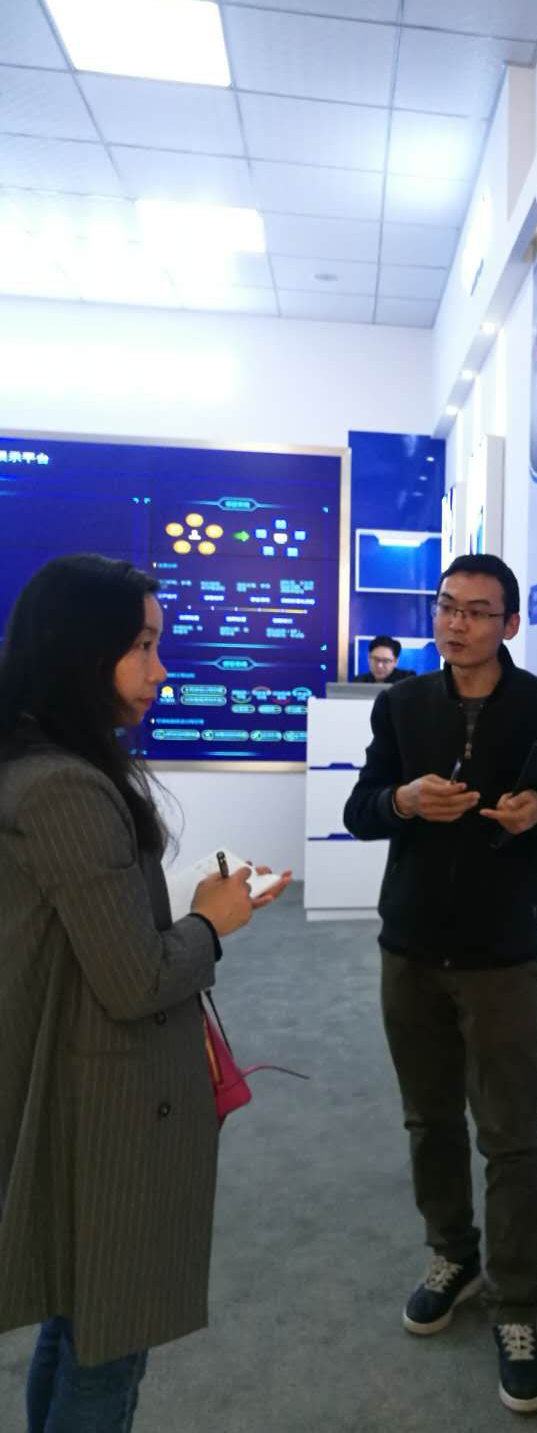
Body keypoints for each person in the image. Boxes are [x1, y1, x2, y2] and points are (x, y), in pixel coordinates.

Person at [0, 554, 291, 1433]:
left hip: (76, 1078)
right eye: (142, 646)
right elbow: (135, 980)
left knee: (79, 1319)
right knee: (108, 1346)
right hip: (108, 1098)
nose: (160, 670)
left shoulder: (39, 763)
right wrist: (213, 921)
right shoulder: (66, 785)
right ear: (81, 651)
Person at [343, 552, 537, 1416]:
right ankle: (451, 1252)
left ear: (511, 624)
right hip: (410, 947)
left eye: (479, 611)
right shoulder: (402, 704)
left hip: (499, 956)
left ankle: (516, 1304)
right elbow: (360, 808)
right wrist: (404, 802)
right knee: (429, 1119)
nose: (457, 623)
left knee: (511, 1135)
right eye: (448, 606)